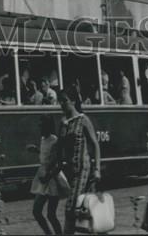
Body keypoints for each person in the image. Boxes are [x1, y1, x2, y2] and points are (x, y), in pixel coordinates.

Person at [57, 88, 101, 235]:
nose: (62, 104)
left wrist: (97, 168)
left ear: (73, 101)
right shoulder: (64, 123)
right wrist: (62, 128)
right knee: (85, 208)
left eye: (65, 101)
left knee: (70, 207)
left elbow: (94, 144)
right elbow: (60, 147)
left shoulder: (83, 120)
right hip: (70, 171)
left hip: (83, 168)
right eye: (60, 101)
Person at [28, 118, 65, 235]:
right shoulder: (43, 139)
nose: (40, 129)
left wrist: (48, 177)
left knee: (51, 214)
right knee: (36, 212)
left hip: (53, 178)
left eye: (42, 127)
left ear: (48, 127)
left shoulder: (55, 141)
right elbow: (47, 155)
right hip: (43, 175)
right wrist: (37, 150)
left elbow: (58, 163)